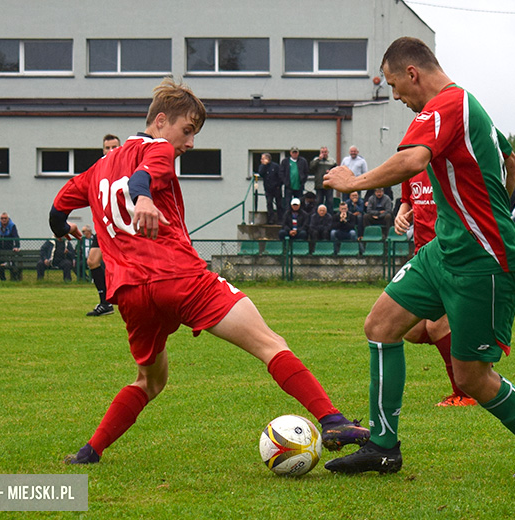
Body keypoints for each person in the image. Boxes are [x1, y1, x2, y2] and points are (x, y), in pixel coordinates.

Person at [50, 78, 368, 464]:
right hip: (180, 278)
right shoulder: (159, 150)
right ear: (161, 121)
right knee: (270, 343)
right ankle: (332, 420)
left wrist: (62, 231)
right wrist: (144, 199)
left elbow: (57, 209)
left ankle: (89, 452)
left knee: (150, 381)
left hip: (131, 294)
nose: (189, 143)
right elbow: (141, 179)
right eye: (187, 130)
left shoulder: (96, 169)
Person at [323, 37, 515, 477]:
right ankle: (382, 446)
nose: (397, 97)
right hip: (444, 251)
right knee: (381, 325)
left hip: (484, 262)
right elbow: (510, 159)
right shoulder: (470, 108)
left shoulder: (446, 105)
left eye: (397, 86)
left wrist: (352, 184)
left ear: (412, 73)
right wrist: (491, 202)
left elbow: (414, 160)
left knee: (472, 377)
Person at [396, 171, 476, 407]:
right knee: (411, 330)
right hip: (422, 257)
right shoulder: (410, 162)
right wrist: (402, 216)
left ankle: (465, 393)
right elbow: (407, 201)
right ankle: (473, 347)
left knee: (437, 324)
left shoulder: (448, 162)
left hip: (451, 254)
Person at [86, 135, 120, 317]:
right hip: (103, 225)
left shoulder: (126, 167)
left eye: (114, 147)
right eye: (108, 147)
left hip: (123, 225)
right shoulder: (98, 169)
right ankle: (105, 303)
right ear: (103, 150)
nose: (111, 150)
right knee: (92, 260)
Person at [0, 212, 21, 281]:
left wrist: (16, 246)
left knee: (12, 265)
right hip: (0, 249)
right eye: (2, 218)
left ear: (8, 219)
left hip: (9, 249)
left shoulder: (12, 226)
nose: (4, 220)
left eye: (5, 218)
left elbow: (16, 237)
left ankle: (13, 279)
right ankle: (3, 279)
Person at [310, 146, 337, 213]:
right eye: (322, 152)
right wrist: (319, 159)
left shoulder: (332, 161)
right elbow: (311, 168)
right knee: (319, 201)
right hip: (319, 184)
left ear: (328, 152)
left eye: (325, 152)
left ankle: (330, 218)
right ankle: (317, 217)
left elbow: (336, 170)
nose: (324, 153)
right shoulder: (316, 160)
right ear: (320, 153)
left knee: (330, 202)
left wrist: (330, 171)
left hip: (329, 185)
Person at [258, 153, 283, 225]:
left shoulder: (275, 166)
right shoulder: (262, 166)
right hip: (268, 189)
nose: (261, 160)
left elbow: (280, 176)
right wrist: (264, 165)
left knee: (279, 204)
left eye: (263, 159)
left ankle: (280, 219)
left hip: (276, 188)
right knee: (269, 203)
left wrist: (279, 185)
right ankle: (271, 219)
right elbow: (261, 173)